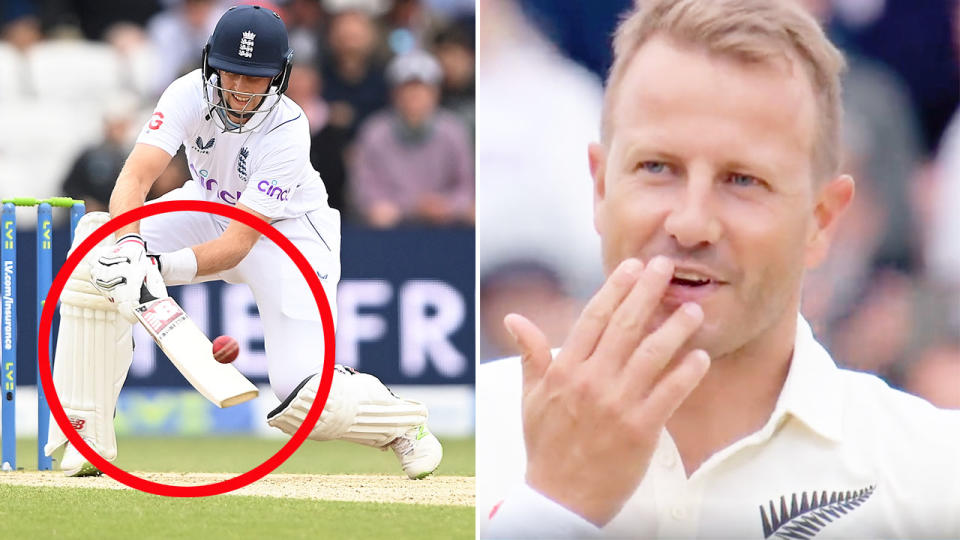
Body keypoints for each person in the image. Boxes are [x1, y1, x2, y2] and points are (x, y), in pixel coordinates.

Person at [476, 0, 960, 537]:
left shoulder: (935, 476)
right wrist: (555, 505)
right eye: (657, 167)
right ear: (601, 187)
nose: (691, 222)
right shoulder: (450, 443)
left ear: (821, 222)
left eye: (742, 180)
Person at [46, 4, 442, 481]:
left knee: (303, 397)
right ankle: (86, 433)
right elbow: (134, 179)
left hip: (286, 236)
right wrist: (129, 249)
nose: (238, 90)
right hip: (207, 204)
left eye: (255, 79)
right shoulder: (186, 93)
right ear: (212, 64)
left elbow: (239, 242)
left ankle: (403, 423)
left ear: (280, 77)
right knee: (97, 244)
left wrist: (154, 266)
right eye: (230, 75)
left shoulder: (289, 129)